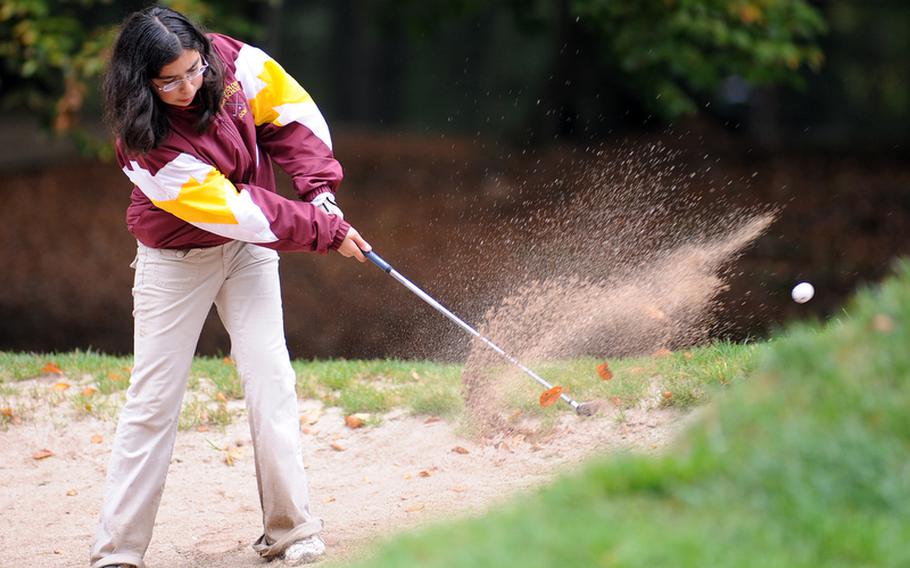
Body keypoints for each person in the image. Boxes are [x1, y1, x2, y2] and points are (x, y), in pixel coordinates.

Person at [91, 6, 370, 567]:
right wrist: (326, 229)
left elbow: (291, 113)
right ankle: (117, 552)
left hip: (246, 254)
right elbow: (238, 209)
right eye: (169, 81)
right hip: (175, 263)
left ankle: (291, 531)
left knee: (272, 380)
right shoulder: (142, 142)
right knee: (153, 401)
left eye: (194, 70)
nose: (189, 87)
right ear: (140, 81)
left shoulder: (230, 60)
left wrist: (321, 192)